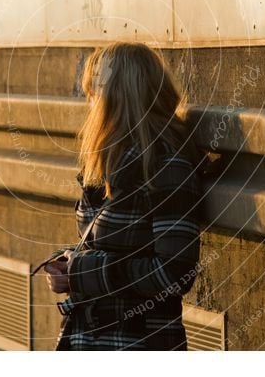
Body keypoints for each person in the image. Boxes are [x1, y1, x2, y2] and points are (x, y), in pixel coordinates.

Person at [43, 41, 204, 350]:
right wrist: (68, 266)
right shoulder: (109, 163)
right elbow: (105, 247)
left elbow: (175, 273)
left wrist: (81, 271)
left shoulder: (166, 168)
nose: (89, 105)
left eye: (94, 93)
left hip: (137, 341)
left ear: (116, 98)